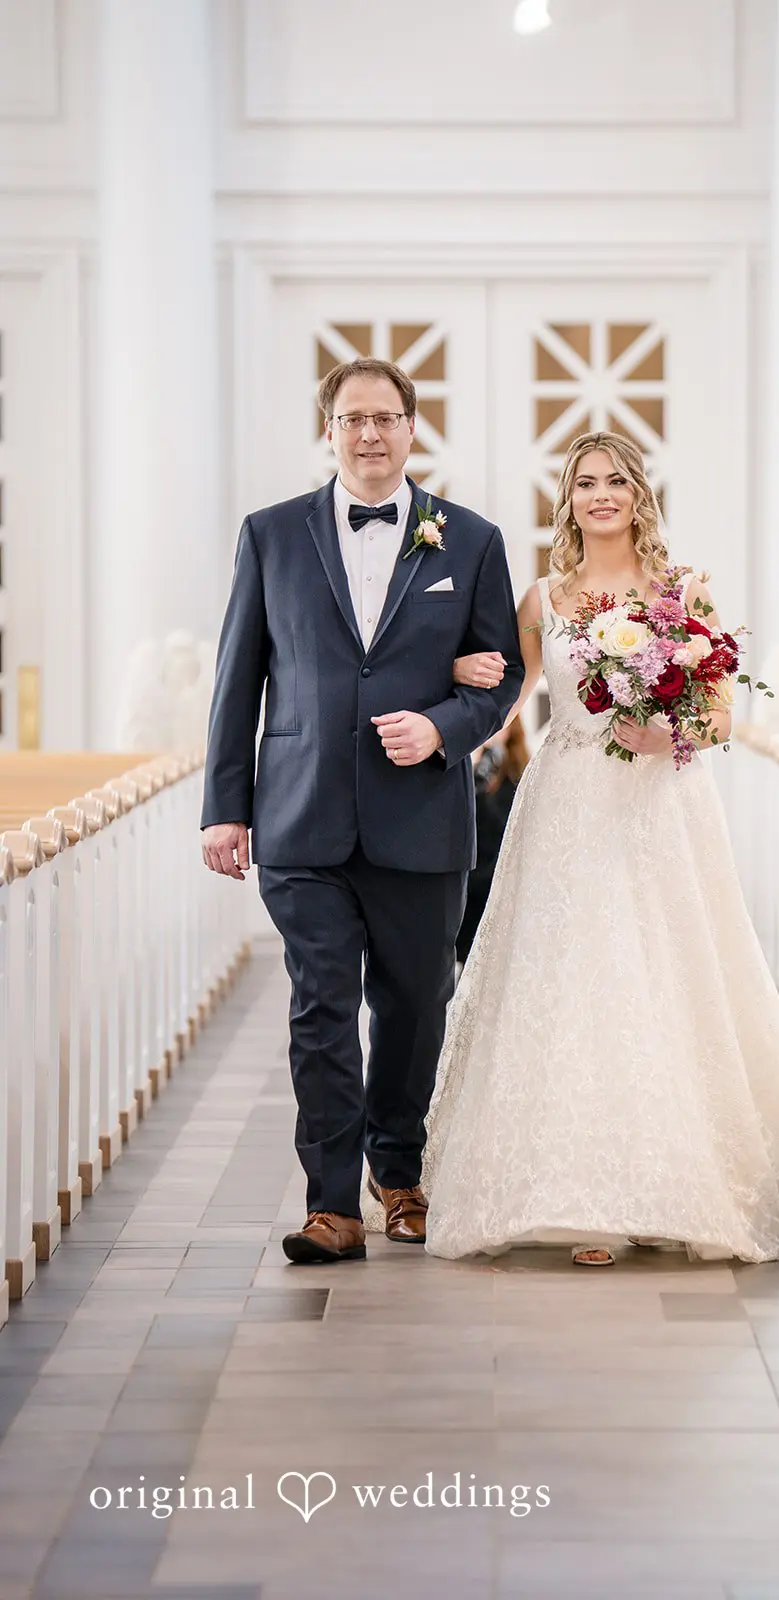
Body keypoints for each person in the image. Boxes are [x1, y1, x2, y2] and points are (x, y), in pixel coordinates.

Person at [421, 430, 779, 1267]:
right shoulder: (544, 598)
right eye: (585, 483)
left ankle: (664, 1182)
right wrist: (445, 709)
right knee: (572, 977)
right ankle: (583, 1197)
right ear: (567, 499)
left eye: (616, 481)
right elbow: (507, 699)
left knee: (666, 976)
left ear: (639, 495)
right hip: (569, 804)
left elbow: (720, 714)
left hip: (659, 806)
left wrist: (667, 733)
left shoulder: (683, 593)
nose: (600, 494)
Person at [199, 357, 523, 1265]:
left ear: (413, 430)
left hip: (422, 818)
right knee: (322, 1005)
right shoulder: (270, 535)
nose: (370, 434)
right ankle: (331, 1204)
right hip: (302, 815)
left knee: (417, 1004)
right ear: (329, 430)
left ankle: (399, 1169)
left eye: (386, 418)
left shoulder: (470, 540)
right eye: (353, 419)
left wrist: (445, 727)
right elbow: (237, 680)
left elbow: (503, 676)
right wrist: (226, 807)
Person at [456, 720, 530, 965]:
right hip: (469, 871)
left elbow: (504, 826)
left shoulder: (516, 772)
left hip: (494, 870)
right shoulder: (470, 765)